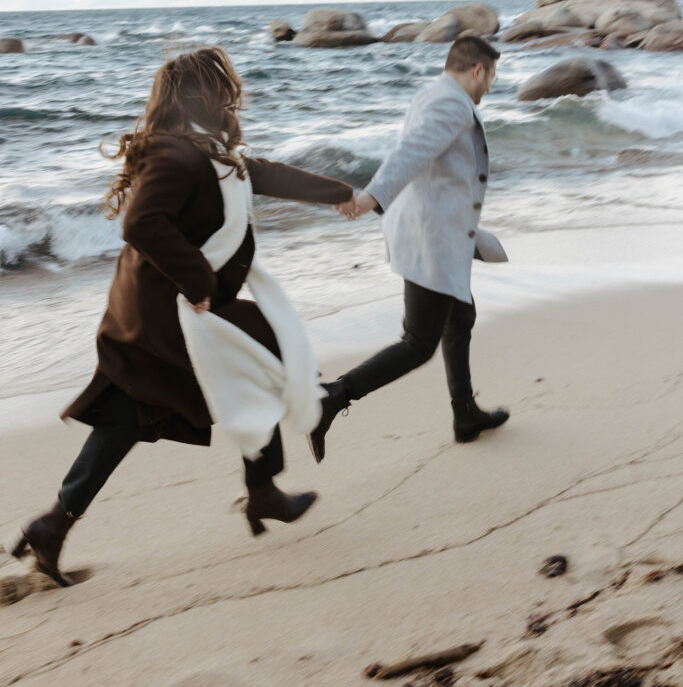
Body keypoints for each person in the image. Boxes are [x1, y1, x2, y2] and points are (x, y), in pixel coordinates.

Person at [7, 47, 353, 587]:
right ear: (205, 94)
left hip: (166, 307)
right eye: (222, 87)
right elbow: (142, 225)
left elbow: (260, 173)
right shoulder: (177, 154)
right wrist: (199, 284)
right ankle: (261, 492)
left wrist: (344, 194)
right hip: (169, 310)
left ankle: (57, 522)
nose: (230, 96)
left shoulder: (203, 150)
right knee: (242, 366)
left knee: (135, 413)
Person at [308, 31, 509, 463]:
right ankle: (333, 395)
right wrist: (369, 197)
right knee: (418, 343)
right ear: (478, 69)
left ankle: (465, 414)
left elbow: (421, 156)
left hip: (434, 230)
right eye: (491, 77)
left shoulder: (432, 92)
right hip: (430, 238)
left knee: (462, 316)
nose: (490, 87)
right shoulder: (453, 103)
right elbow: (410, 152)